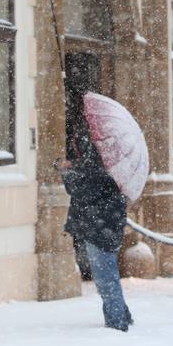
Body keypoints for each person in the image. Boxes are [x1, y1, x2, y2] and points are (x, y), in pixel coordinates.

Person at [57, 91, 133, 332]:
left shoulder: (97, 157)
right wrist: (75, 168)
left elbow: (84, 188)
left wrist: (67, 171)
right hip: (106, 220)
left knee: (104, 276)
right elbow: (93, 179)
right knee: (107, 272)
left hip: (100, 222)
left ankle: (117, 323)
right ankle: (122, 315)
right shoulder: (112, 155)